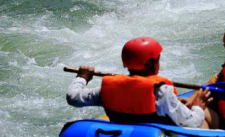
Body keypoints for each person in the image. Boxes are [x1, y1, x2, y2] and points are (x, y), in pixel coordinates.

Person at [68, 38, 212, 128]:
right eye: (157, 59)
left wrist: (82, 77)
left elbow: (73, 97)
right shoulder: (161, 91)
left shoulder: (108, 88)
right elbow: (192, 123)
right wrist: (198, 107)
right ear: (151, 64)